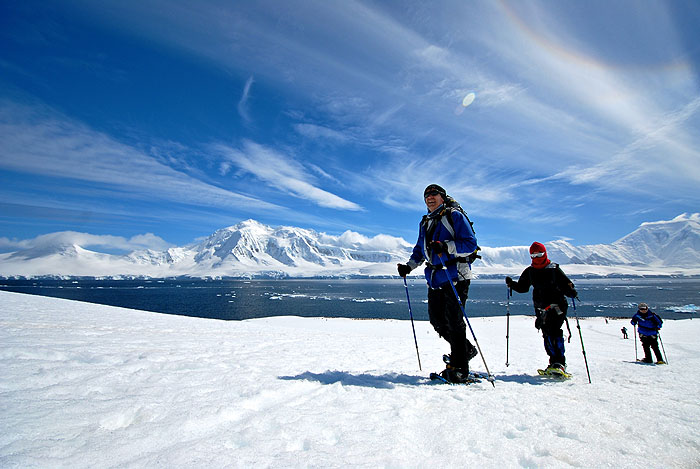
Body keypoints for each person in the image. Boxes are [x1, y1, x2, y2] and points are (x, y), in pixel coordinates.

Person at [397, 184, 479, 383]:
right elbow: (420, 250)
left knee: (454, 321)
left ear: (443, 197)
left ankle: (460, 367)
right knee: (437, 321)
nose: (430, 198)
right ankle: (464, 350)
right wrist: (409, 266)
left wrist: (446, 246)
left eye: (434, 194)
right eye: (426, 195)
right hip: (435, 279)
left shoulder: (454, 216)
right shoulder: (425, 222)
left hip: (456, 276)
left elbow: (470, 244)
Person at [505, 242, 577, 374]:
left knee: (554, 332)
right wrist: (512, 284)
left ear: (544, 253)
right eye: (533, 255)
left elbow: (565, 285)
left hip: (557, 307)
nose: (536, 257)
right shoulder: (530, 271)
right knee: (546, 334)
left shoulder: (554, 269)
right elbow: (523, 288)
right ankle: (554, 362)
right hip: (541, 309)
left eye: (539, 254)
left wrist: (571, 291)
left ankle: (559, 362)